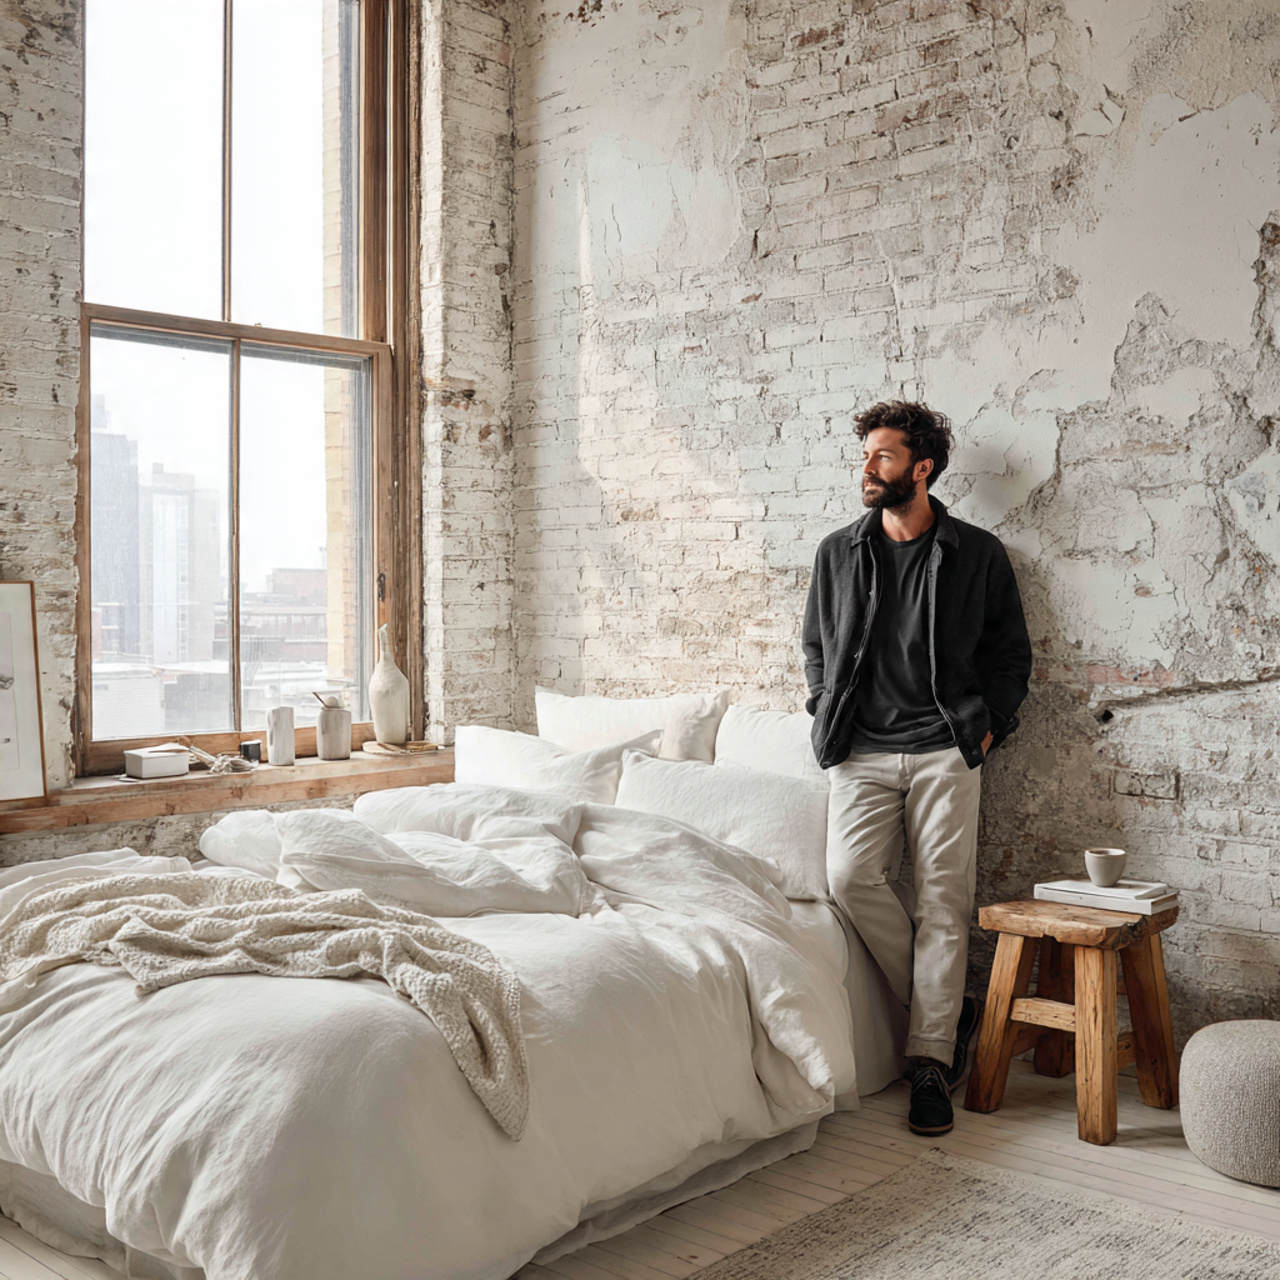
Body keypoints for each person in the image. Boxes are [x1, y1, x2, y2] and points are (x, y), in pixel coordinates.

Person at [802, 400, 1031, 1136]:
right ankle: (950, 1007)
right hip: (860, 752)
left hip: (945, 748)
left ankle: (929, 1063)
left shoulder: (976, 553)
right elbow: (815, 644)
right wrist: (820, 703)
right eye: (867, 455)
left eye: (884, 457)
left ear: (922, 468)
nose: (867, 469)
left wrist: (988, 729)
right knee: (849, 878)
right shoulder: (838, 551)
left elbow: (1010, 656)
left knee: (943, 902)